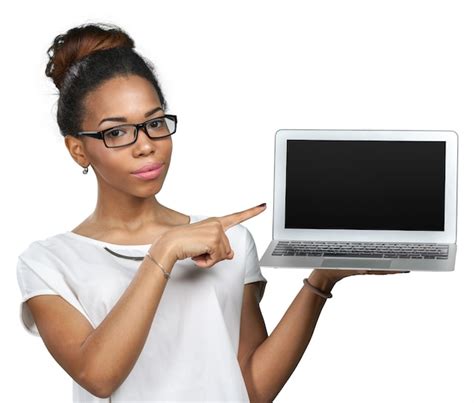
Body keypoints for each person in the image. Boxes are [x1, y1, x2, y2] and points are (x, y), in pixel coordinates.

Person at [16, 22, 406, 402]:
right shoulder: (48, 262)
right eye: (116, 132)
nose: (146, 145)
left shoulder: (229, 241)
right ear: (78, 149)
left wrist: (321, 280)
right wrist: (164, 249)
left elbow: (251, 389)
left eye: (155, 123)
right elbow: (98, 375)